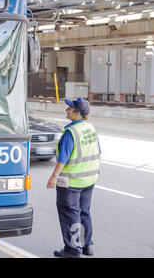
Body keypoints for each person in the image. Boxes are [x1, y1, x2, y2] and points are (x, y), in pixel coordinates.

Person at [46, 97, 101, 258]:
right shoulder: (90, 127)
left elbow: (63, 158)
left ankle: (72, 250)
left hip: (71, 182)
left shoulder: (71, 132)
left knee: (70, 214)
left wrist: (53, 176)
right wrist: (98, 169)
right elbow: (98, 151)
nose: (66, 110)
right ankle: (86, 245)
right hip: (89, 179)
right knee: (84, 211)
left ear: (77, 113)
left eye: (69, 108)